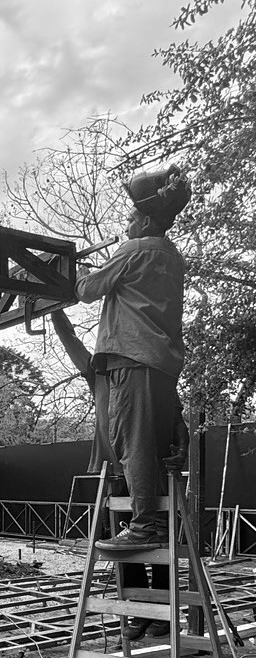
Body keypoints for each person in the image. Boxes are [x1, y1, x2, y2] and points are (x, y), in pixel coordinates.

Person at [73, 163, 191, 553]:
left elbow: (87, 289)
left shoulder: (134, 250)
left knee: (133, 442)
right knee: (152, 446)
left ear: (145, 221)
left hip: (133, 359)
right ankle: (155, 524)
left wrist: (78, 272)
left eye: (129, 219)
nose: (125, 226)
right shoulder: (171, 257)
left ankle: (145, 526)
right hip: (161, 365)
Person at [51, 308, 182, 639]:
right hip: (116, 470)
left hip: (151, 466)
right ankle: (138, 612)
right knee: (125, 544)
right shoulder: (98, 374)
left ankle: (163, 614)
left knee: (159, 539)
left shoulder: (146, 371)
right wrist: (54, 312)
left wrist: (180, 440)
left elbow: (173, 408)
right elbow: (70, 340)